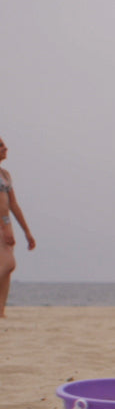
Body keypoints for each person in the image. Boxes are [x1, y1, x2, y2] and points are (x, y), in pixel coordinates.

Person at [0, 136, 38, 318]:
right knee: (8, 264)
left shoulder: (5, 175)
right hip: (2, 225)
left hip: (6, 225)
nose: (5, 148)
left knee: (6, 271)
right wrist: (5, 225)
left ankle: (1, 311)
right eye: (1, 145)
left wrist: (27, 231)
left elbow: (13, 204)